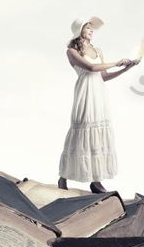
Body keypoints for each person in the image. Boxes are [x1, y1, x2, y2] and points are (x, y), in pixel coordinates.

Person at [58, 16, 138, 193]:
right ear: (79, 31)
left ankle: (96, 180)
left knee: (98, 134)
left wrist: (125, 68)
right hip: (85, 92)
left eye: (91, 28)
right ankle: (63, 175)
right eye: (88, 28)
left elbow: (103, 76)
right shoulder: (71, 51)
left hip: (99, 94)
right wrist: (118, 61)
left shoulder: (98, 50)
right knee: (81, 131)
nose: (91, 30)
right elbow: (91, 68)